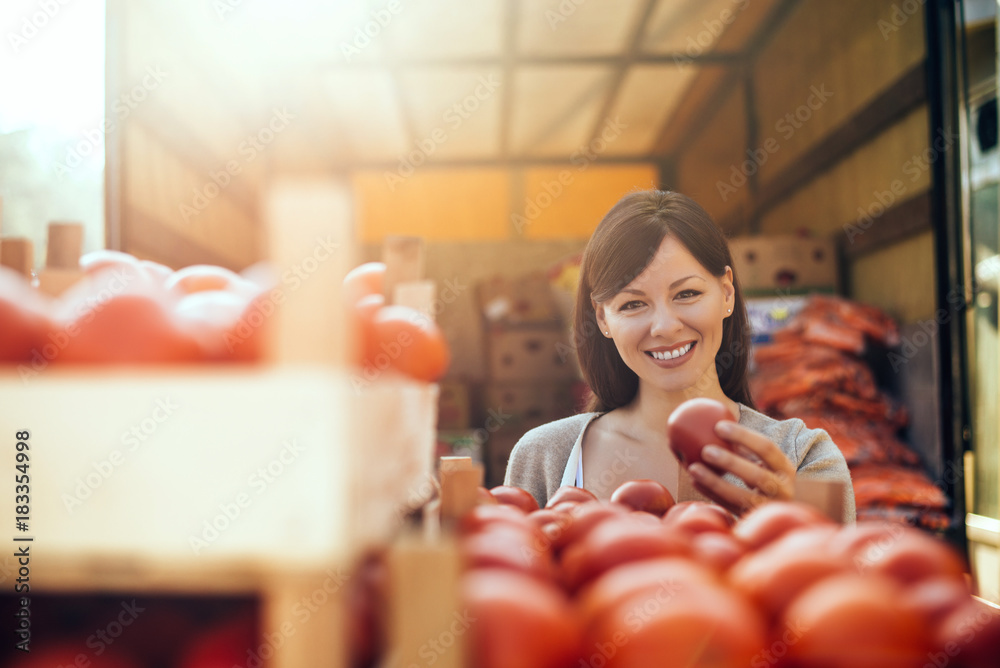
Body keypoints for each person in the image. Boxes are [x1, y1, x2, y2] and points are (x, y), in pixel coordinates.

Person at [504, 190, 855, 520]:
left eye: (686, 293)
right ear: (602, 319)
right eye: (633, 304)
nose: (665, 327)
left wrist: (791, 528)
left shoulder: (805, 458)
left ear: (726, 293)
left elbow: (838, 583)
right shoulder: (544, 456)